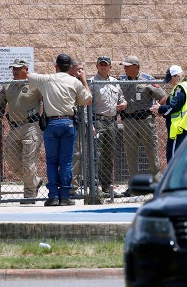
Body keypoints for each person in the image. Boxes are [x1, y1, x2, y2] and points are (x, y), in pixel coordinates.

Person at [27, 53, 92, 206]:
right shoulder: (74, 82)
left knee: (51, 162)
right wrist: (83, 78)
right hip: (68, 123)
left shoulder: (47, 79)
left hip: (52, 124)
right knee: (66, 162)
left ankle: (53, 196)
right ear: (70, 68)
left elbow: (27, 74)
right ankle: (65, 197)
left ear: (56, 67)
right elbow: (88, 99)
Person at [0, 58, 43, 204]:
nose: (15, 71)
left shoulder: (35, 84)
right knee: (12, 163)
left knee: (29, 162)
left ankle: (29, 194)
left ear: (26, 70)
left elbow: (47, 101)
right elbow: (0, 105)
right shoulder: (7, 86)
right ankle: (34, 181)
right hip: (14, 127)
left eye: (18, 68)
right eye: (13, 69)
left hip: (31, 126)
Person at [119, 55, 167, 188]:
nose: (125, 69)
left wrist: (157, 110)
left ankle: (158, 185)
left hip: (145, 121)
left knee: (152, 152)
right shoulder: (122, 80)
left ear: (136, 67)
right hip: (128, 121)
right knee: (130, 154)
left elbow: (163, 96)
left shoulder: (148, 80)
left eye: (128, 66)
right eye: (124, 66)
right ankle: (134, 187)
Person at [90, 56, 127, 197]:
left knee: (108, 154)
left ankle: (106, 186)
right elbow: (87, 104)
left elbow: (121, 98)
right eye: (101, 65)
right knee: (96, 154)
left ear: (110, 67)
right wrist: (90, 124)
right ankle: (94, 186)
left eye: (106, 65)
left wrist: (124, 104)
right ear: (97, 66)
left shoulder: (115, 82)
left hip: (112, 122)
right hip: (97, 121)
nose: (103, 67)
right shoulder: (93, 83)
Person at [150, 65, 187, 162]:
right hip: (184, 128)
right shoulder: (186, 86)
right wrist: (163, 112)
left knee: (173, 160)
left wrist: (160, 109)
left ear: (177, 76)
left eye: (170, 78)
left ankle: (173, 177)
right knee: (180, 159)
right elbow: (177, 109)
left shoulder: (180, 88)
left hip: (179, 129)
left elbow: (174, 107)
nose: (170, 81)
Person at [69, 60, 87, 196]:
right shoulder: (70, 82)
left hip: (83, 122)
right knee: (75, 155)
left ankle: (85, 184)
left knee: (82, 155)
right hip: (71, 122)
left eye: (82, 69)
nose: (81, 72)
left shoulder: (83, 82)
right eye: (78, 69)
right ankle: (72, 187)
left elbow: (88, 99)